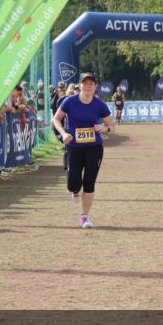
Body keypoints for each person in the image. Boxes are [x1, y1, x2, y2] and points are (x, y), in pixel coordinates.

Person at [52, 73, 115, 228]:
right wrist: (63, 134)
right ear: (79, 85)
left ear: (95, 87)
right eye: (85, 83)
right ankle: (74, 190)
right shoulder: (69, 101)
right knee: (73, 183)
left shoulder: (99, 105)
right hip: (74, 147)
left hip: (94, 147)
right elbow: (56, 119)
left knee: (89, 182)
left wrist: (104, 128)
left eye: (91, 84)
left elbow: (111, 127)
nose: (88, 86)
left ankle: (84, 217)